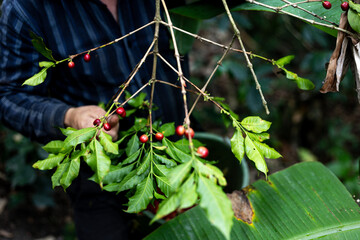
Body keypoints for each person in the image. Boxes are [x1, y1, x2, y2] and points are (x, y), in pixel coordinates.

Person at [0, 0, 187, 239]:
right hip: (97, 175)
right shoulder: (26, 8)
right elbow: (9, 97)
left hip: (179, 145)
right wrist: (69, 116)